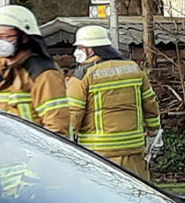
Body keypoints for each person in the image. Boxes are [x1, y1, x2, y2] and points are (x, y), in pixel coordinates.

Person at [65, 24, 162, 179]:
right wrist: (153, 131)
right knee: (138, 190)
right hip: (133, 149)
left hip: (99, 154)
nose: (77, 52)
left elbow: (73, 113)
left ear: (91, 50)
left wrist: (64, 143)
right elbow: (149, 103)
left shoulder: (83, 75)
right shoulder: (134, 68)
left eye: (81, 48)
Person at [0, 5, 76, 136]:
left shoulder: (43, 73)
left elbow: (56, 125)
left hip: (30, 147)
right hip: (3, 146)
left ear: (24, 38)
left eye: (5, 36)